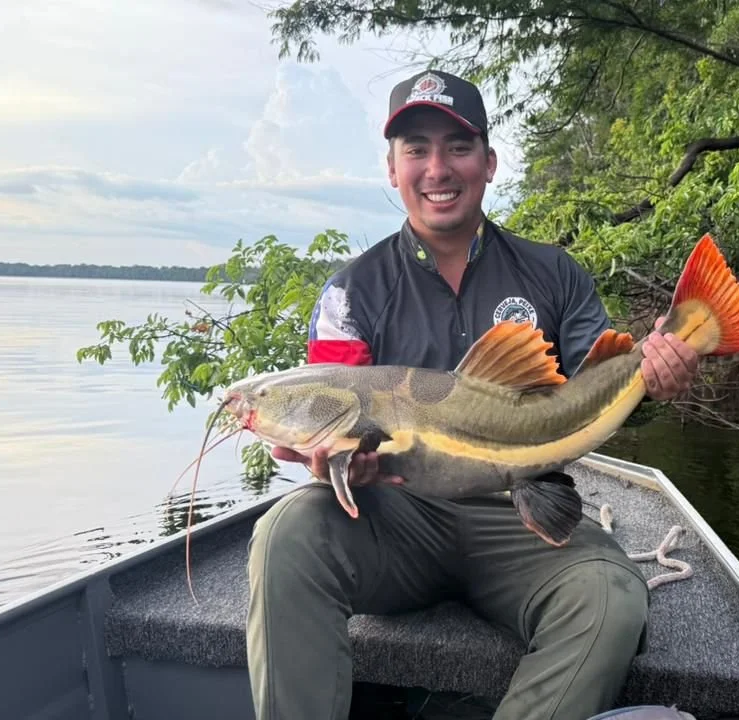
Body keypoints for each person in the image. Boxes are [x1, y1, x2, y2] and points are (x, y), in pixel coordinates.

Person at [244, 68, 701, 720]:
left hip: (520, 514)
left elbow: (598, 382)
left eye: (457, 148)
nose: (438, 168)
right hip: (394, 518)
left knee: (611, 597)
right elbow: (323, 420)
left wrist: (659, 372)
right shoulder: (352, 291)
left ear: (489, 163)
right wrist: (327, 461)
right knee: (284, 535)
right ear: (392, 167)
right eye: (416, 149)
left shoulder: (553, 274)